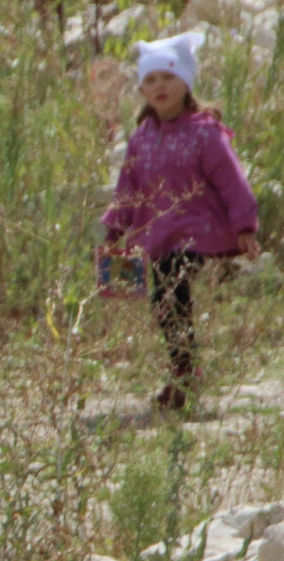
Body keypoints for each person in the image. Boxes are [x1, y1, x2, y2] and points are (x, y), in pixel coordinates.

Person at [101, 31, 260, 412]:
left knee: (172, 293)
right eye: (151, 79)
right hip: (158, 234)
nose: (160, 86)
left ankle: (184, 376)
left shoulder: (205, 133)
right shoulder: (141, 139)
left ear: (186, 82)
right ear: (142, 88)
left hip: (194, 232)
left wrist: (245, 226)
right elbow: (128, 188)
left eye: (169, 77)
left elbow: (231, 180)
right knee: (164, 301)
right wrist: (115, 230)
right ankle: (183, 368)